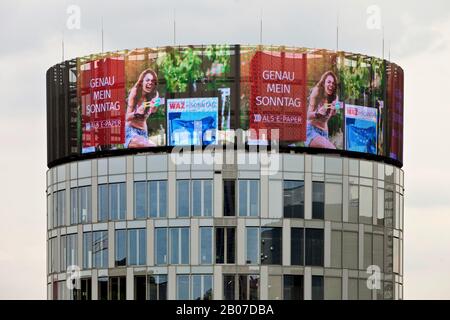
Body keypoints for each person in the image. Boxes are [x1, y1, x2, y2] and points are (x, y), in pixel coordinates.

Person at [125, 69, 160, 148]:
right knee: (152, 146)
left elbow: (154, 110)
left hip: (143, 133)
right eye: (147, 80)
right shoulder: (135, 92)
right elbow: (126, 118)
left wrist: (155, 106)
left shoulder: (155, 94)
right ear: (142, 82)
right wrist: (136, 112)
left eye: (152, 81)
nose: (150, 83)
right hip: (131, 132)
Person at [305, 71, 339, 149]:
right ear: (323, 83)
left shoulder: (335, 97)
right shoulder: (316, 91)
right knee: (332, 149)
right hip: (311, 130)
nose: (331, 85)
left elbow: (336, 111)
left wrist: (335, 110)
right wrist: (317, 113)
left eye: (333, 83)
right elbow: (307, 116)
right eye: (329, 82)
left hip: (324, 133)